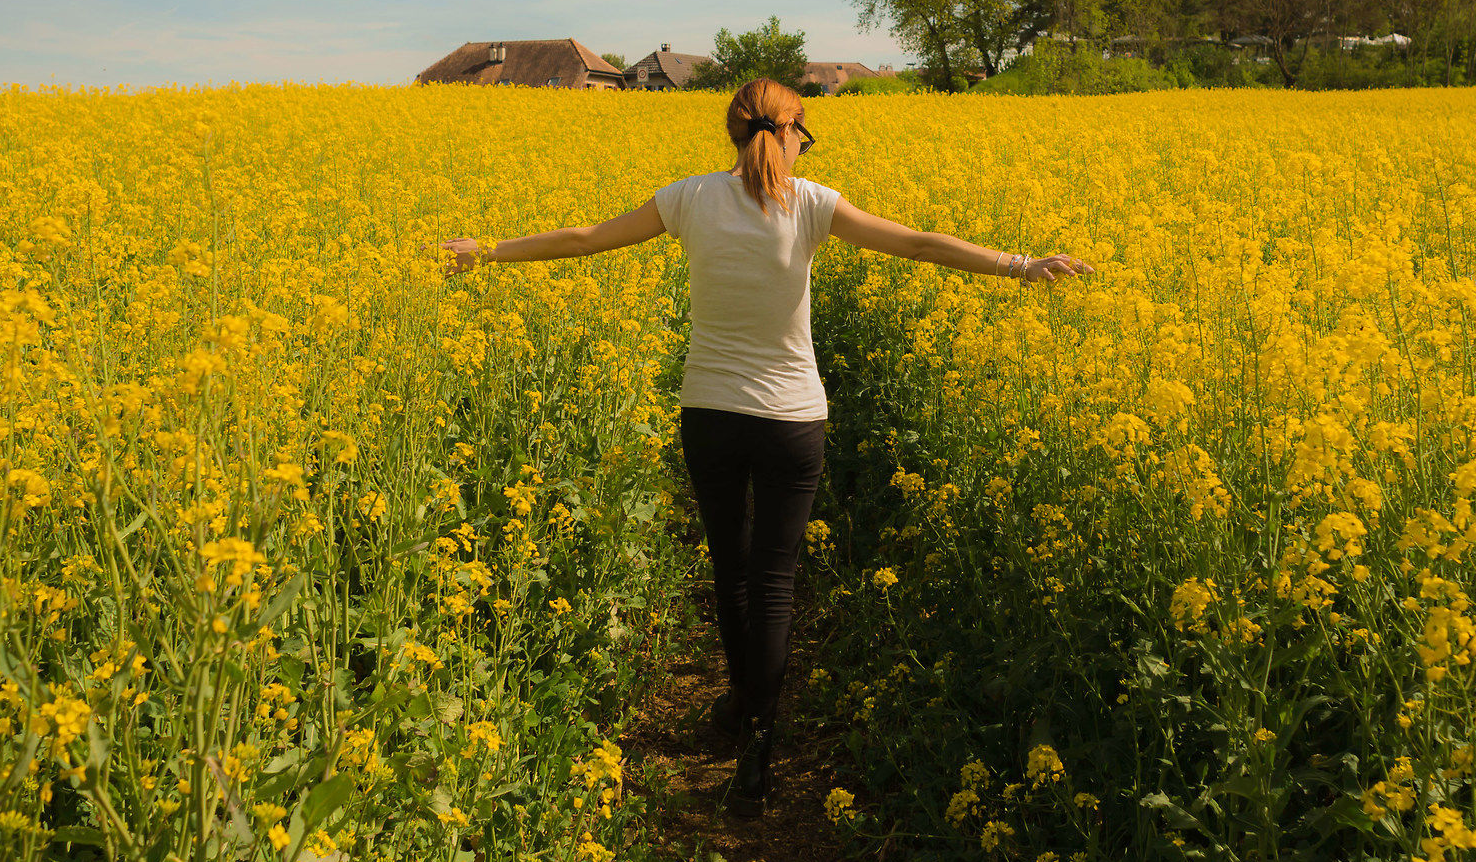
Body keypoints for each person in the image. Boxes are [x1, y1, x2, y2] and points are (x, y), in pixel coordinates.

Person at [439, 79, 1091, 815]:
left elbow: (585, 240)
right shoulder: (810, 203)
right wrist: (1019, 264)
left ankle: (740, 703)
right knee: (775, 581)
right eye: (805, 133)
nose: (805, 145)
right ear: (788, 132)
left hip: (710, 413)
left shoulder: (686, 198)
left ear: (734, 131)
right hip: (791, 420)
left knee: (733, 570)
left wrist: (487, 252)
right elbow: (915, 242)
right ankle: (756, 751)